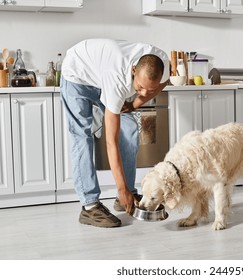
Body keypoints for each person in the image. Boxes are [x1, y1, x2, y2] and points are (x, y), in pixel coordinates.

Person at [60, 38, 170, 228]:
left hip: (100, 76)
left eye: (149, 89)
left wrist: (136, 102)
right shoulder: (117, 79)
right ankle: (90, 206)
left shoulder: (163, 63)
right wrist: (120, 188)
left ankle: (126, 195)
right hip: (77, 75)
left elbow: (164, 82)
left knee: (129, 128)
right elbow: (111, 141)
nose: (144, 92)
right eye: (140, 87)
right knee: (82, 137)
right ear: (134, 70)